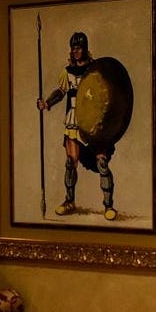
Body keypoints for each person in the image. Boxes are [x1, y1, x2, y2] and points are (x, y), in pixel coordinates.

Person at [37, 32, 117, 220]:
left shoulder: (95, 69)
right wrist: (46, 104)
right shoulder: (67, 72)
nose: (76, 51)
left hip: (93, 122)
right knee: (70, 163)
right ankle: (69, 201)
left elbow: (105, 93)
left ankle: (109, 206)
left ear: (85, 48)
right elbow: (61, 92)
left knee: (102, 163)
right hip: (73, 120)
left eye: (79, 48)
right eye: (73, 48)